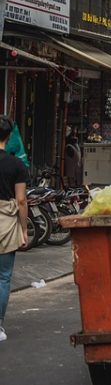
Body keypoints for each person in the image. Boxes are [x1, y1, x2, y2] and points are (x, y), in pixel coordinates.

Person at [0, 116, 30, 343]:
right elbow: (21, 201)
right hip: (6, 222)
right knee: (3, 277)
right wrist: (24, 229)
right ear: (9, 137)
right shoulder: (16, 165)